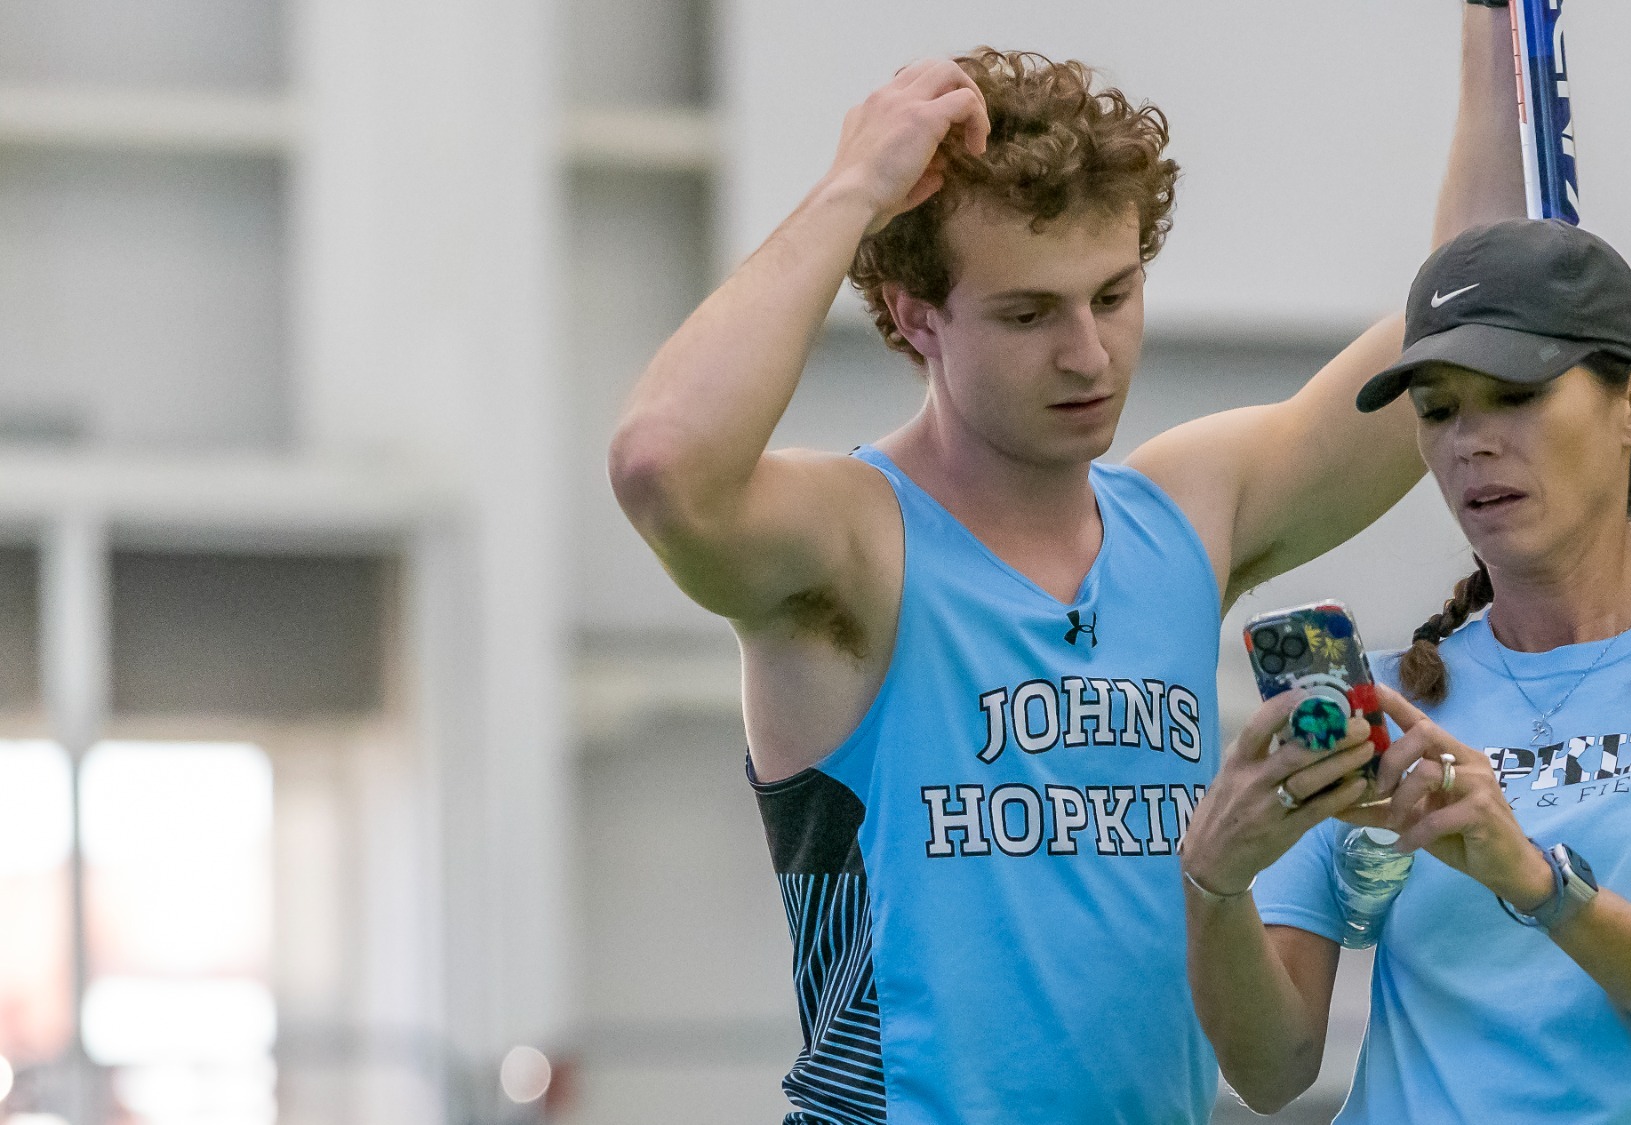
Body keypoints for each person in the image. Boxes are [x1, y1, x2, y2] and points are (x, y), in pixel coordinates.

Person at [608, 7, 1525, 1120]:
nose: (1087, 354)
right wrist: (852, 186)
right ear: (915, 316)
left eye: (1113, 294)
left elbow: (1471, 306)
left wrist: (1494, 25)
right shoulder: (852, 547)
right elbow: (662, 462)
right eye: (1027, 312)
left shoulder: (1186, 516)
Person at [1178, 218, 1631, 1123]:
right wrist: (1214, 879)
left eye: (1513, 395)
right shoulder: (1386, 705)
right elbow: (1273, 1070)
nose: (1470, 442)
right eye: (1438, 410)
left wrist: (1536, 879)